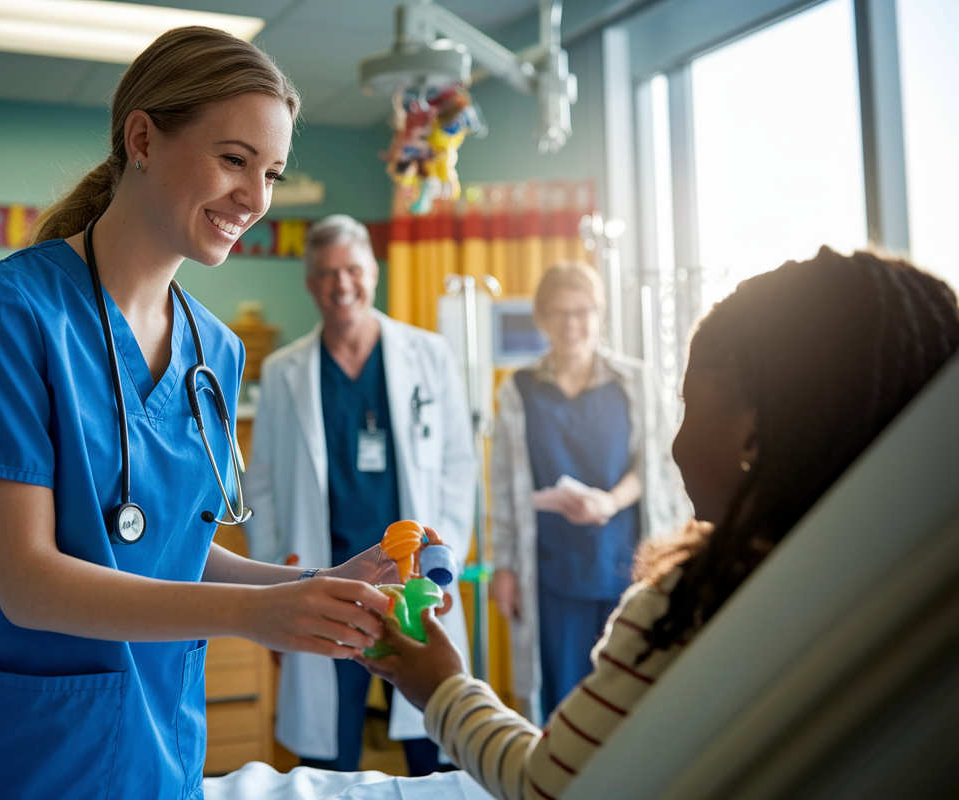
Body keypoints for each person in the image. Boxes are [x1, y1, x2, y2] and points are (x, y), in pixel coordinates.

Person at [0, 28, 397, 799]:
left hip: (160, 745)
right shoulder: (2, 313)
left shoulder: (217, 353)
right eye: (234, 159)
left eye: (271, 173)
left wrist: (316, 585)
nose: (256, 198)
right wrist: (260, 614)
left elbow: (168, 546)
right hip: (20, 752)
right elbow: (27, 582)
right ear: (142, 137)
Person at [358, 247, 959, 800]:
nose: (673, 443)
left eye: (690, 406)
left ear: (753, 435)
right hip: (555, 562)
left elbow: (549, 784)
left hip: (612, 550)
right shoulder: (876, 588)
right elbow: (510, 486)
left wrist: (441, 684)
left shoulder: (689, 603)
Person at [243, 214, 476, 774]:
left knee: (435, 740)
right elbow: (264, 483)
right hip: (328, 582)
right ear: (309, 282)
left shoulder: (430, 356)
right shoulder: (284, 371)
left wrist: (445, 565)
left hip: (413, 583)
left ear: (374, 271)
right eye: (326, 274)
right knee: (328, 755)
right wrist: (278, 574)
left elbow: (457, 466)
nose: (340, 285)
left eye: (352, 269)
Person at [488, 261, 682, 723]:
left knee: (629, 693)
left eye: (582, 311)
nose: (571, 323)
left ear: (600, 314)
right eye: (558, 312)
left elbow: (655, 464)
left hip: (624, 561)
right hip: (552, 571)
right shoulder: (519, 391)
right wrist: (505, 567)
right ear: (541, 319)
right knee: (561, 699)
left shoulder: (635, 381)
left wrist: (610, 502)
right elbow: (503, 487)